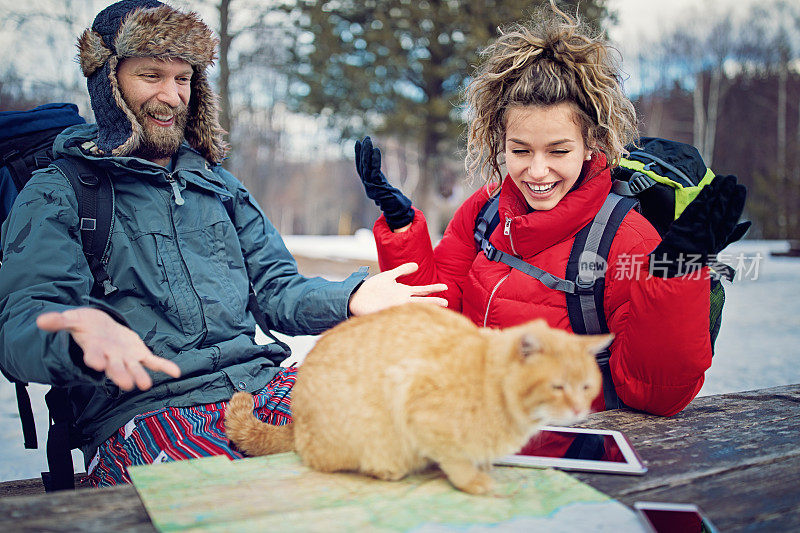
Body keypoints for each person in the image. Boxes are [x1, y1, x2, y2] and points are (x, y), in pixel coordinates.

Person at [0, 0, 445, 487]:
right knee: (254, 496)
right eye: (151, 75)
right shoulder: (60, 191)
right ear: (109, 82)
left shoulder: (218, 186)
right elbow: (21, 320)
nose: (171, 96)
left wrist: (352, 297)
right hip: (147, 410)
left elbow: (276, 291)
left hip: (258, 386)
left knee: (416, 423)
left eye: (183, 79)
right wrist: (76, 335)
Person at [354, 4, 746, 418]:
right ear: (500, 142)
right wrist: (402, 232)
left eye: (558, 151)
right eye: (520, 150)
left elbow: (654, 393)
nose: (537, 171)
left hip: (573, 447)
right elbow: (434, 315)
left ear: (592, 142)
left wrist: (675, 273)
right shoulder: (485, 209)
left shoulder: (625, 239)